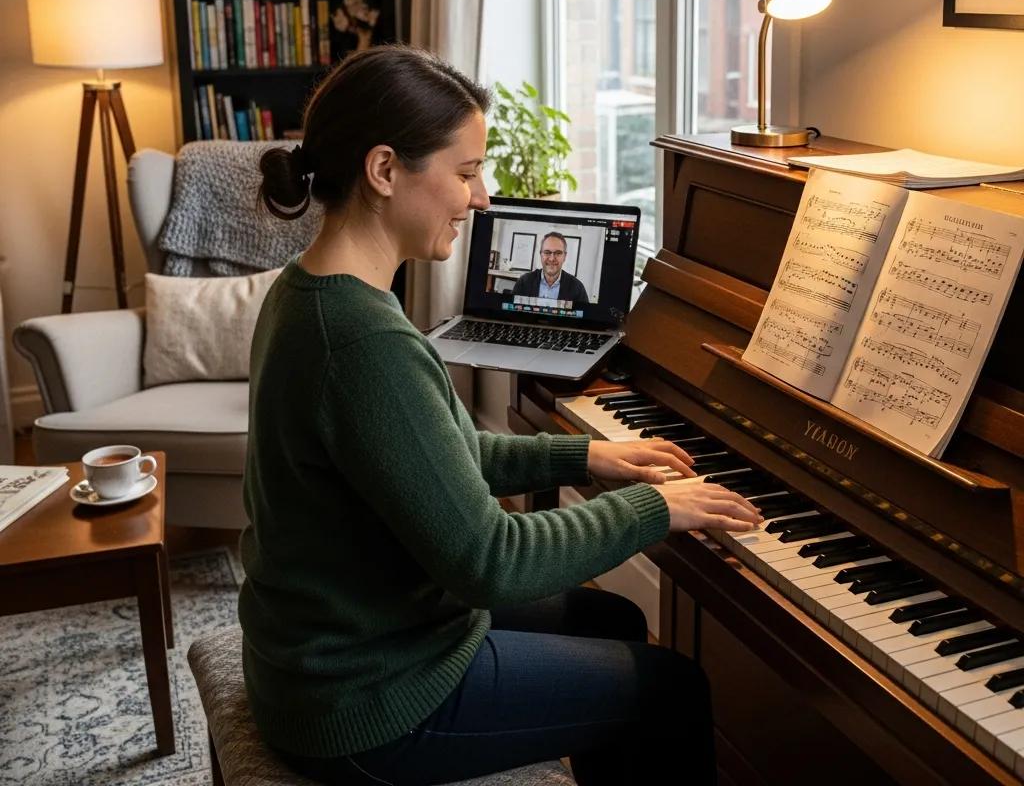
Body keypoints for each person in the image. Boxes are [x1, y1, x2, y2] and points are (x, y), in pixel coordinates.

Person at [242, 44, 761, 786]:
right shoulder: (361, 341)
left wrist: (582, 458)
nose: (481, 198)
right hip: (364, 701)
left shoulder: (312, 292)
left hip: (338, 644)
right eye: (465, 172)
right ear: (385, 170)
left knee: (610, 623)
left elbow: (436, 455)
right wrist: (653, 509)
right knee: (672, 690)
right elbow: (493, 561)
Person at [511, 231, 589, 306]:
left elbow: (584, 317)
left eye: (558, 253)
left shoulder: (577, 288)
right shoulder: (523, 282)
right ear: (541, 255)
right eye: (547, 252)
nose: (552, 259)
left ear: (564, 256)